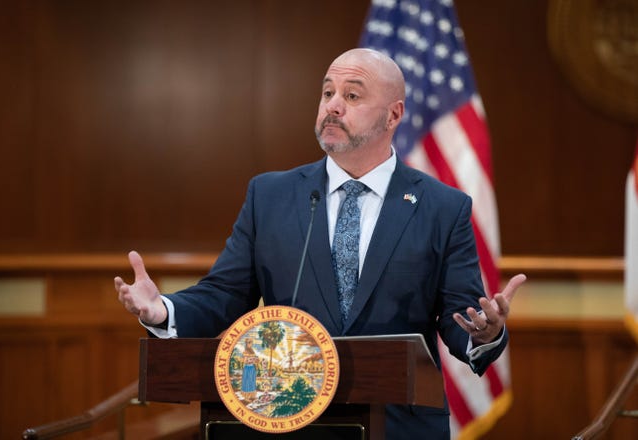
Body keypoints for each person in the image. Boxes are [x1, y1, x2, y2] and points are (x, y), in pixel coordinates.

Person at [115, 48, 526, 439]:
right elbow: (225, 294)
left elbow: (460, 318)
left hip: (400, 425)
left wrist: (485, 333)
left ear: (393, 114)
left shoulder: (443, 207)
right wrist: (161, 310)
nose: (333, 105)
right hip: (287, 419)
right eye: (327, 92)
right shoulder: (270, 195)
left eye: (351, 96)